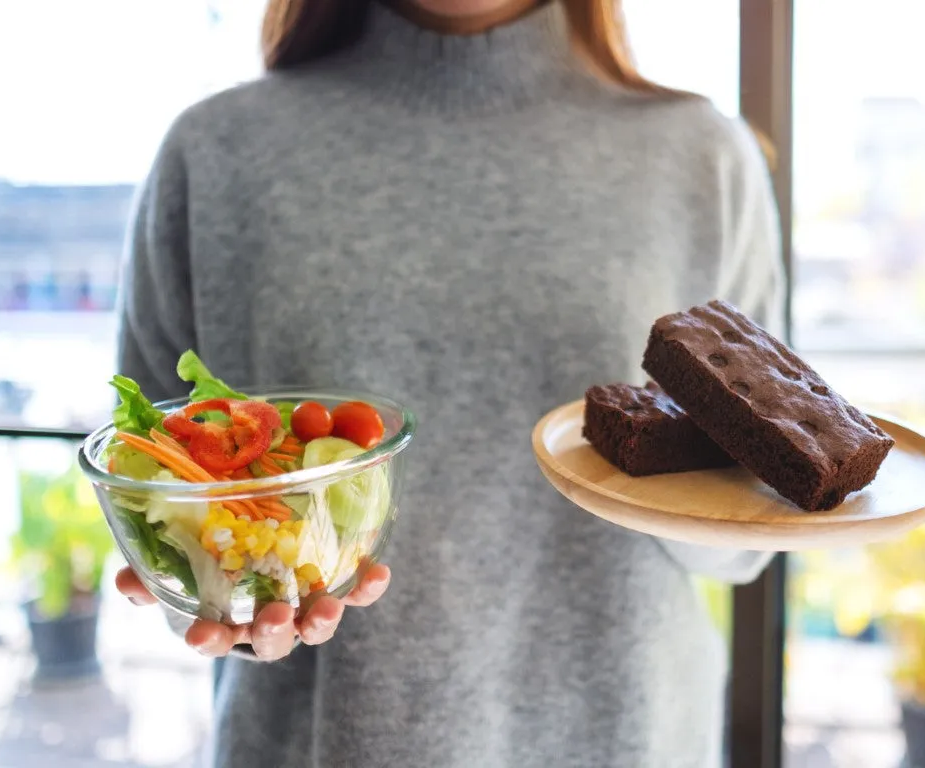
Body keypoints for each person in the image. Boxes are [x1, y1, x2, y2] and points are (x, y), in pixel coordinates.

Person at [113, 0, 784, 765]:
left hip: (626, 739)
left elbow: (746, 541)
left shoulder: (702, 157)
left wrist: (756, 497)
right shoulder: (215, 153)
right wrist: (214, 595)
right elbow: (150, 496)